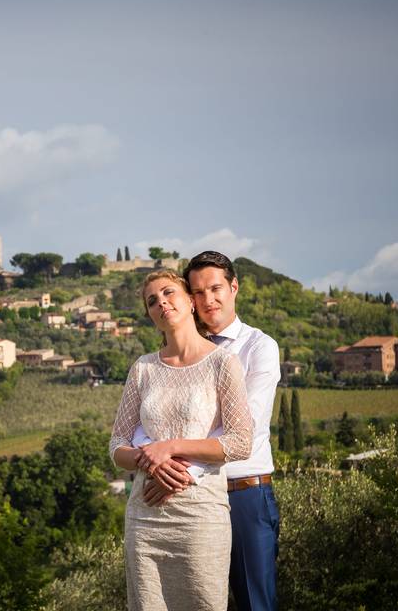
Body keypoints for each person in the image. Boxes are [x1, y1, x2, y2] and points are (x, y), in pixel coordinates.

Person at [134, 251, 281, 611]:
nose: (207, 299)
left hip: (242, 493)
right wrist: (156, 461)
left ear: (234, 288)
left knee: (254, 604)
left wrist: (175, 470)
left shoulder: (259, 348)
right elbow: (145, 423)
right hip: (185, 503)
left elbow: (246, 427)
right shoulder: (170, 354)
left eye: (215, 289)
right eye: (197, 292)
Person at [109, 269, 253, 611]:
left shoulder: (223, 363)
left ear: (190, 300)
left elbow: (240, 442)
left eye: (168, 293)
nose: (161, 302)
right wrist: (150, 460)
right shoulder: (142, 369)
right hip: (145, 518)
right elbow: (116, 445)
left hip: (200, 515)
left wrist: (170, 447)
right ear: (150, 316)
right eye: (152, 301)